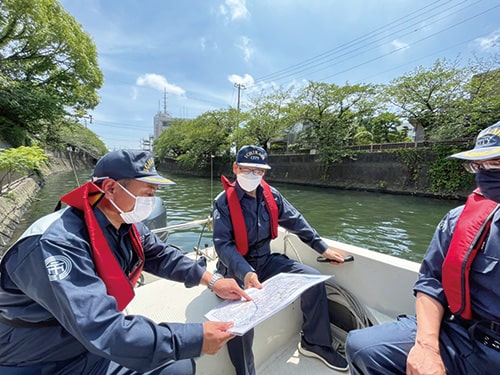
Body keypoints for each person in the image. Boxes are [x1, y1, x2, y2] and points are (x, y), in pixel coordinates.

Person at [0, 149, 251, 375]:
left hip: (90, 350)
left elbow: (161, 255)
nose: (151, 201)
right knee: (178, 352)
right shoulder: (55, 244)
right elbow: (102, 327)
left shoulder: (126, 224)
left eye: (155, 194)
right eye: (147, 193)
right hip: (38, 358)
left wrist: (213, 280)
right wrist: (195, 338)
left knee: (177, 367)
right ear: (110, 188)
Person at [345, 120, 500, 375]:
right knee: (363, 347)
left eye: (495, 163)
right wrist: (426, 346)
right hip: (461, 334)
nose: (484, 175)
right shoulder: (457, 219)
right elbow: (431, 280)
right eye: (478, 166)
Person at [212, 145, 351, 374]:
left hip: (266, 261)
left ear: (264, 173)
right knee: (240, 320)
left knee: (313, 279)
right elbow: (223, 245)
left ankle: (314, 343)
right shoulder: (223, 202)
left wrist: (322, 248)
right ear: (235, 168)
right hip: (236, 269)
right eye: (248, 170)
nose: (253, 175)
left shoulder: (271, 195)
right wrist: (245, 272)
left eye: (259, 171)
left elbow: (296, 221)